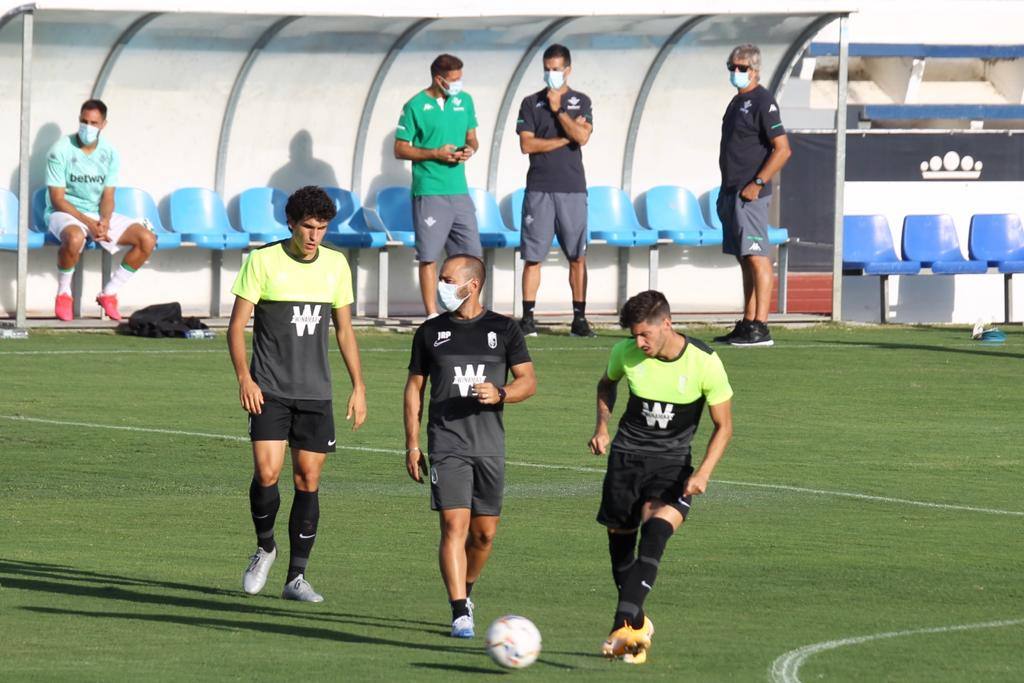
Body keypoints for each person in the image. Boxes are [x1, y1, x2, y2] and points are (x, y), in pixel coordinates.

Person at [228, 185, 368, 603]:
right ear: (290, 223)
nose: (314, 236)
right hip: (269, 388)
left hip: (315, 393)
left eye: (322, 228)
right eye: (307, 227)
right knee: (267, 473)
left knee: (308, 480)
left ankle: (296, 578)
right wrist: (244, 378)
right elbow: (236, 327)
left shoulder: (337, 266)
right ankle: (265, 547)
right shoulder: (262, 261)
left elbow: (344, 330)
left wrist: (358, 386)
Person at [588, 290, 733, 664]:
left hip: (672, 466)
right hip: (625, 461)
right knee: (620, 549)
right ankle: (638, 624)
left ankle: (621, 626)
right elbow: (607, 384)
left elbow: (724, 426)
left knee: (655, 533)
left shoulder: (705, 362)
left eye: (643, 335)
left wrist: (703, 472)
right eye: (634, 335)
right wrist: (602, 426)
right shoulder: (625, 354)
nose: (638, 343)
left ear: (666, 324)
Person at [403, 254, 536, 638]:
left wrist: (501, 393)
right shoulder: (430, 333)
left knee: (484, 535)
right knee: (453, 525)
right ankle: (459, 610)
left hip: (489, 445)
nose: (440, 285)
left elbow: (528, 380)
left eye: (447, 279)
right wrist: (413, 444)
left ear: (471, 285)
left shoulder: (504, 329)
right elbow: (414, 388)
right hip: (447, 443)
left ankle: (468, 589)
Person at [46, 99, 156, 322]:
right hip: (64, 213)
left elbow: (108, 196)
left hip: (96, 214)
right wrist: (89, 223)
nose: (87, 127)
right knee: (75, 237)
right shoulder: (60, 150)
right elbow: (57, 200)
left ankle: (109, 293)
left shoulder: (110, 152)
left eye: (93, 123)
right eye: (83, 121)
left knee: (147, 239)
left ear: (104, 124)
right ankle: (64, 293)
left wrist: (104, 220)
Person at [515, 43, 595, 338]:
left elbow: (582, 137)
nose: (551, 74)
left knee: (577, 255)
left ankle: (579, 318)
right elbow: (527, 145)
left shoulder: (580, 101)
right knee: (533, 256)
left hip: (572, 188)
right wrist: (564, 139)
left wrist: (558, 111)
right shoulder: (529, 102)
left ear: (568, 70)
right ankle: (527, 318)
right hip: (539, 188)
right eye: (547, 69)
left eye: (556, 69)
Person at [714, 43, 792, 347]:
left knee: (758, 257)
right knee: (745, 257)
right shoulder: (737, 102)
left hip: (750, 194)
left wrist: (758, 182)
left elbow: (783, 149)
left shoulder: (762, 101)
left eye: (742, 68)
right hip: (732, 191)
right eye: (731, 67)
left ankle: (761, 325)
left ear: (755, 70)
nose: (736, 72)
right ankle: (748, 321)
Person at [394, 54, 483, 318]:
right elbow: (400, 148)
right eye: (454, 79)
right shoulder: (415, 105)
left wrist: (469, 150)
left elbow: (473, 138)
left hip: (460, 190)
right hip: (430, 191)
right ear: (439, 79)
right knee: (429, 255)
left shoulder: (465, 101)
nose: (459, 84)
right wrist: (435, 153)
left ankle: (468, 311)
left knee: (472, 255)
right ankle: (432, 314)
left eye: (460, 78)